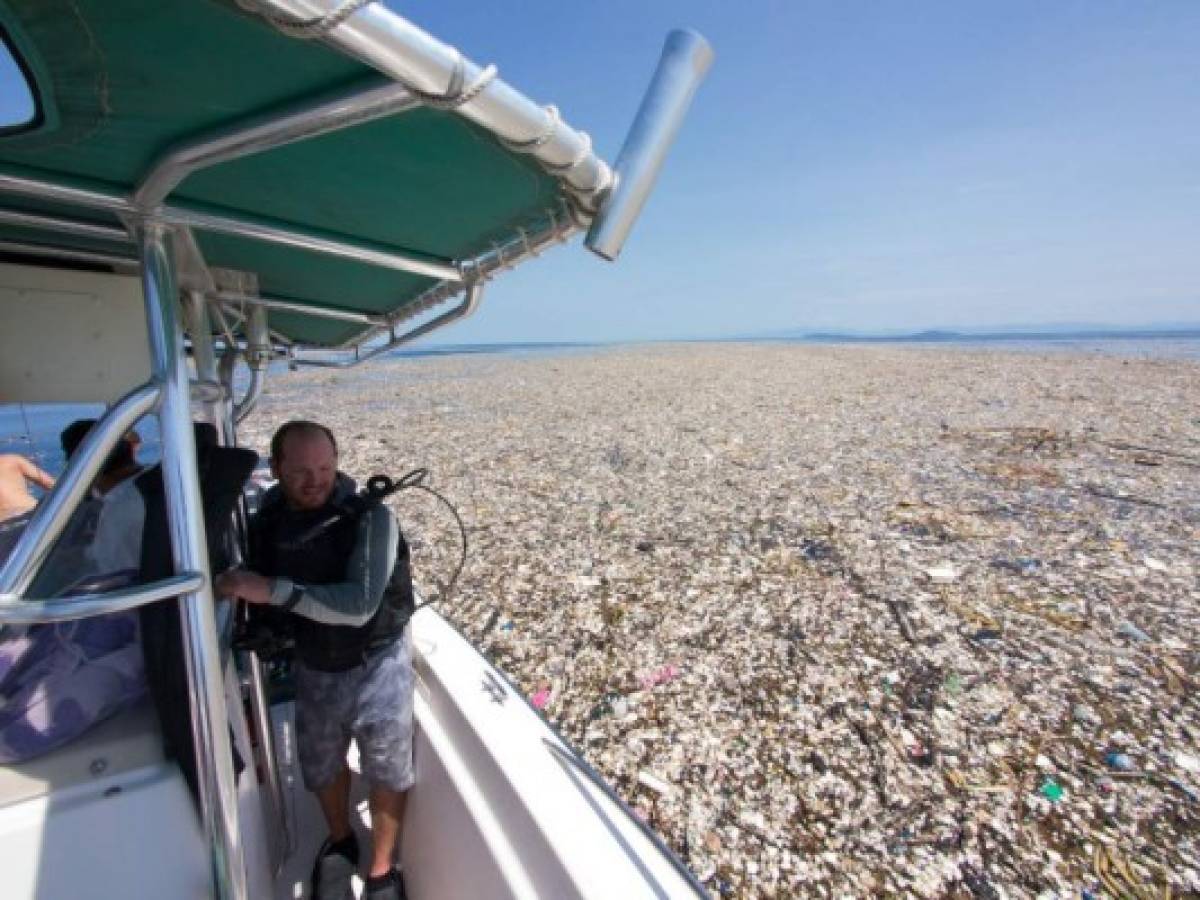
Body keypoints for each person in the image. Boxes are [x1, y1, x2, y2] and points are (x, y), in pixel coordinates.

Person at [216, 420, 416, 900]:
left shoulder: (370, 519)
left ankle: (382, 870)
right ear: (277, 467)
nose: (315, 479)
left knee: (387, 766)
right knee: (321, 764)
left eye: (325, 467)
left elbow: (361, 604)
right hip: (313, 662)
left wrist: (271, 592)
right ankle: (341, 840)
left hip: (376, 663)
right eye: (301, 469)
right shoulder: (269, 519)